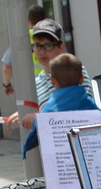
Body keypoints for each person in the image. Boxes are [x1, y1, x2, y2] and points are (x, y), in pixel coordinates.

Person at [19, 19, 92, 175]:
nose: (42, 51)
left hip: (78, 155)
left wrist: (39, 116)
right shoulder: (36, 82)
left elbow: (79, 112)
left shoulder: (74, 71)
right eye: (38, 45)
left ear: (61, 47)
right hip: (51, 157)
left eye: (49, 45)